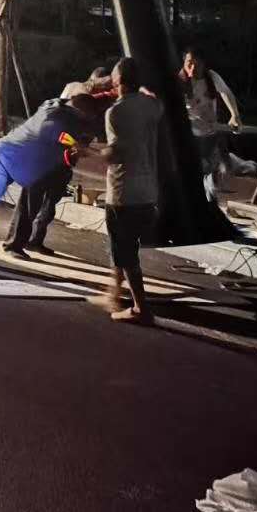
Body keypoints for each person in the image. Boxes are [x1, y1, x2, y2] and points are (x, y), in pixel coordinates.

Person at [0, 93, 100, 268]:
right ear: (79, 113)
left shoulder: (55, 108)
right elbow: (67, 140)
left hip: (3, 164)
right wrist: (96, 153)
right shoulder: (55, 121)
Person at [4, 70, 116, 256]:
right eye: (104, 84)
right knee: (30, 203)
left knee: (49, 205)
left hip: (64, 161)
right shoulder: (75, 90)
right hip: (43, 158)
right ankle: (13, 244)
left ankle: (35, 240)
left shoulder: (97, 102)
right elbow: (59, 133)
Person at [87, 57, 163, 325]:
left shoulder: (115, 112)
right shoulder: (153, 106)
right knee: (123, 249)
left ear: (117, 81)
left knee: (125, 251)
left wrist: (90, 151)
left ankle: (141, 309)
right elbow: (156, 102)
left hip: (123, 191)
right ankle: (114, 293)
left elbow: (116, 153)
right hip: (148, 189)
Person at [180, 50, 241, 196]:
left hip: (213, 132)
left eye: (197, 64)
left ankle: (215, 195)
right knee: (198, 171)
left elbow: (226, 92)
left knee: (225, 169)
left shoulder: (211, 77)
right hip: (192, 137)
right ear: (184, 64)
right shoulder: (179, 82)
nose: (193, 69)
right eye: (189, 64)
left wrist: (235, 115)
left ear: (203, 64)